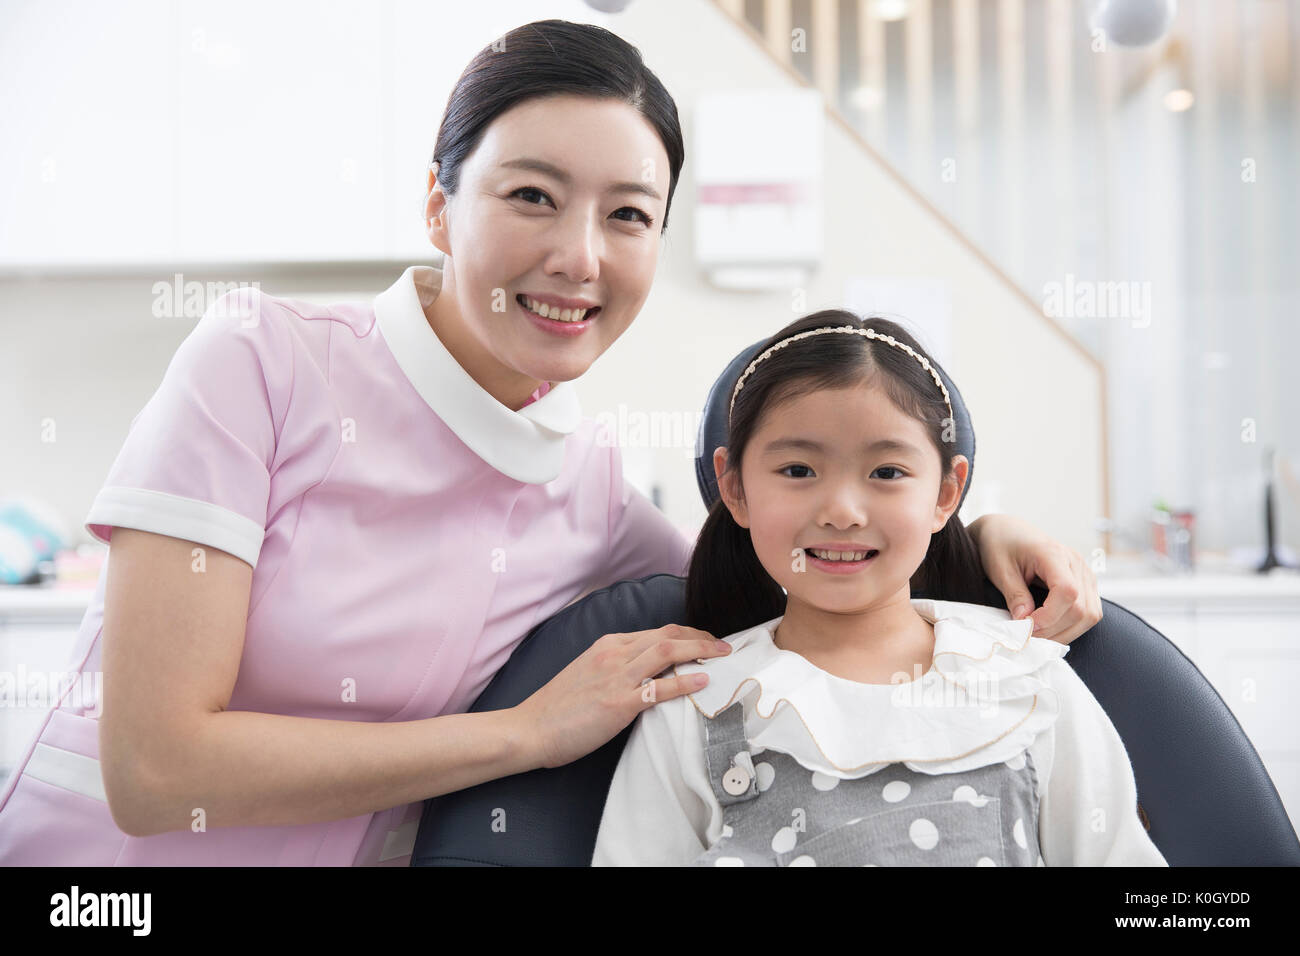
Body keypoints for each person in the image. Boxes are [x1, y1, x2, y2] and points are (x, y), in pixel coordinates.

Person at [0, 21, 1100, 867]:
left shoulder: (590, 488)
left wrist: (971, 528)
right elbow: (154, 769)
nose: (579, 256)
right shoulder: (261, 363)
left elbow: (793, 562)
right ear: (438, 205)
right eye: (532, 195)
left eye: (628, 215)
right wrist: (525, 735)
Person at [592, 312, 1164, 867]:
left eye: (886, 472)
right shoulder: (693, 704)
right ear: (735, 487)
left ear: (946, 493)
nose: (842, 512)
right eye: (798, 470)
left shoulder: (1023, 674)